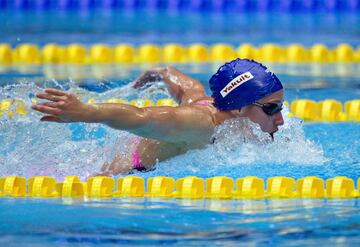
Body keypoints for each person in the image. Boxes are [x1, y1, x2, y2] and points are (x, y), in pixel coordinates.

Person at [31, 58, 284, 176]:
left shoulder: (215, 107)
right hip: (121, 174)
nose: (281, 120)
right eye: (272, 109)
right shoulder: (200, 124)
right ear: (239, 107)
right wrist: (85, 112)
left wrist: (163, 72)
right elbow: (142, 117)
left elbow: (189, 88)